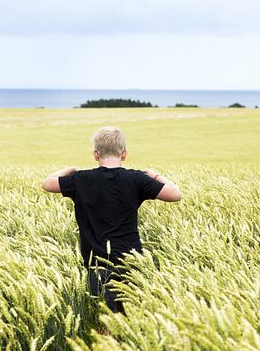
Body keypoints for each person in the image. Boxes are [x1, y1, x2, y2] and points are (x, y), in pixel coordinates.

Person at [41, 126, 182, 314]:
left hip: (97, 263)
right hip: (131, 261)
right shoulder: (137, 179)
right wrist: (155, 175)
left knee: (103, 320)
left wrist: (71, 169)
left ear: (95, 154)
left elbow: (47, 183)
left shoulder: (80, 179)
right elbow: (176, 194)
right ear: (124, 154)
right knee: (131, 319)